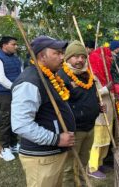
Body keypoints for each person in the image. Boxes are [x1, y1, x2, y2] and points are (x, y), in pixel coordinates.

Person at [11, 36, 75, 186]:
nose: (62, 57)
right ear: (41, 56)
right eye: (57, 53)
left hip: (52, 154)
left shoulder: (48, 75)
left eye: (62, 53)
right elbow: (21, 124)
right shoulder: (30, 81)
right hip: (42, 158)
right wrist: (56, 139)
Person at [59, 41, 101, 186]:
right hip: (74, 130)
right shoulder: (61, 76)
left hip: (90, 127)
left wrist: (97, 106)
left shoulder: (87, 74)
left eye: (83, 56)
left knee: (83, 162)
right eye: (75, 56)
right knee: (70, 167)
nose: (80, 60)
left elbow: (88, 95)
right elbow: (61, 106)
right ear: (68, 58)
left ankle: (82, 184)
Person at [87, 47, 114, 179]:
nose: (109, 60)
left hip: (109, 111)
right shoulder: (92, 74)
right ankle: (92, 167)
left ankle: (100, 163)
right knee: (97, 141)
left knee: (106, 140)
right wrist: (106, 88)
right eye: (106, 57)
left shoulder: (107, 73)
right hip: (99, 113)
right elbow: (93, 94)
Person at [0, 36, 22, 161]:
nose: (16, 46)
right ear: (4, 45)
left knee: (14, 117)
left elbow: (20, 73)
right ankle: (5, 149)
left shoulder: (15, 58)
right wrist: (15, 87)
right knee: (5, 120)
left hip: (15, 92)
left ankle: (13, 144)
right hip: (4, 94)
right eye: (13, 44)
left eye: (16, 44)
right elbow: (0, 78)